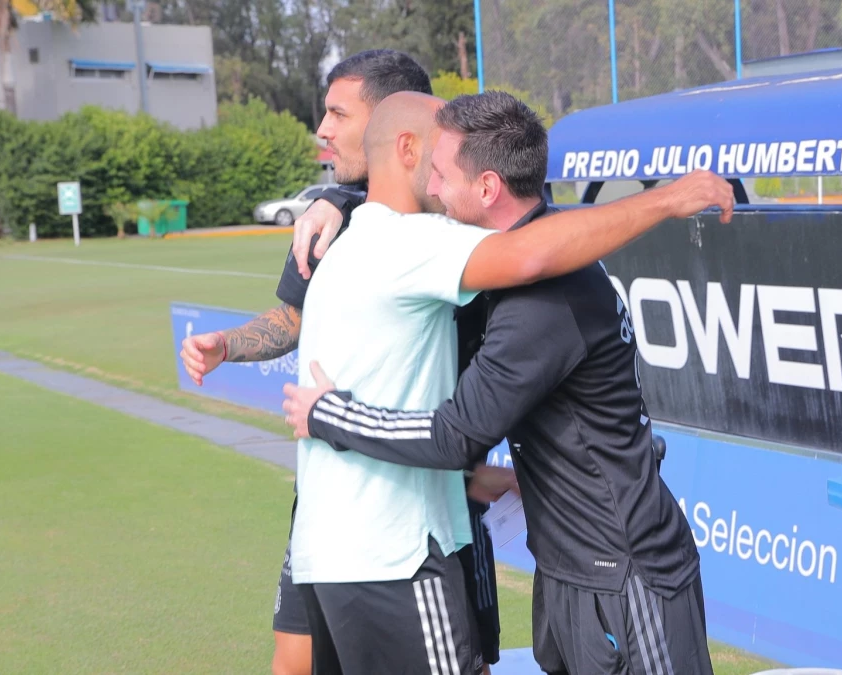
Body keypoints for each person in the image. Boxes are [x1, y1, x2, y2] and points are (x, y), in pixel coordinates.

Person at [287, 90, 732, 674]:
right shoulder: (531, 249)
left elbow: (452, 437)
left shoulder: (543, 301)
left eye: (442, 175)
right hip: (574, 568)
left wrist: (329, 415)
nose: (434, 189)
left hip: (622, 573)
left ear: (489, 188)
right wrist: (336, 199)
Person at [178, 49, 514, 675]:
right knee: (296, 660)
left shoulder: (450, 213)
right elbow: (293, 320)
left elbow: (521, 233)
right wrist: (229, 344)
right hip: (336, 505)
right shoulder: (330, 223)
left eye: (338, 113)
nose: (322, 130)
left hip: (427, 500)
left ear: (395, 126)